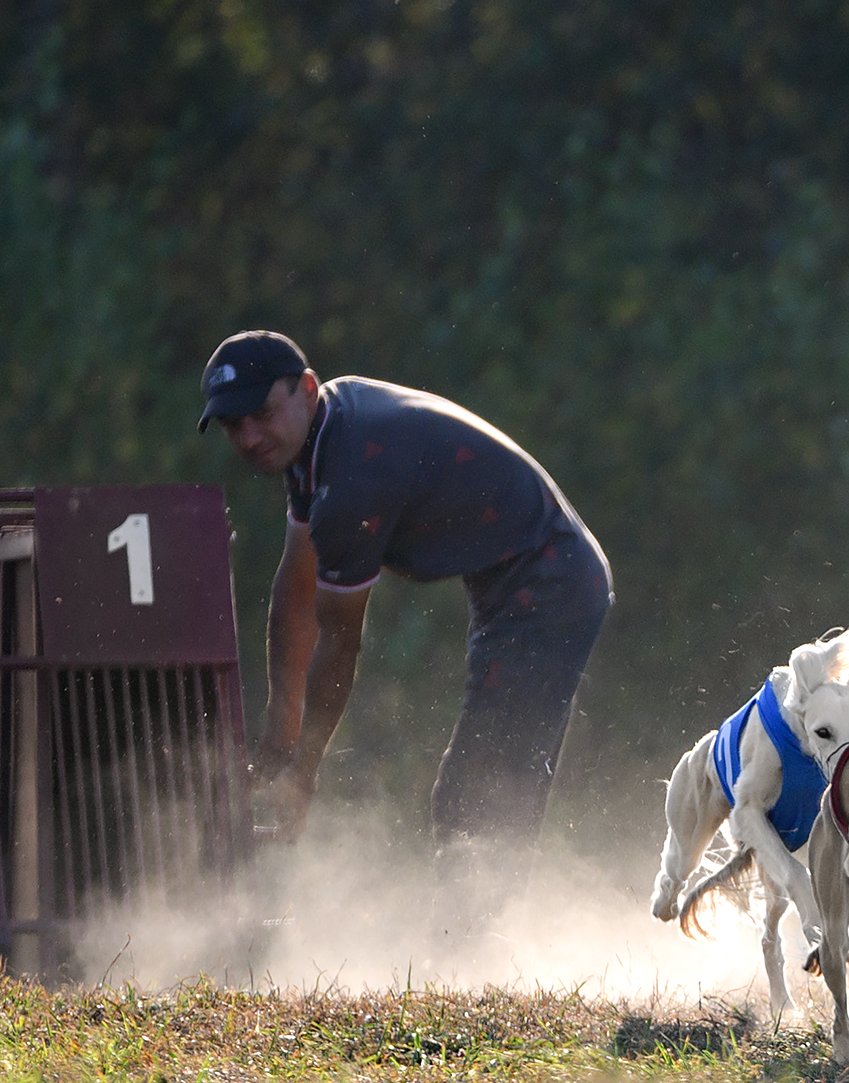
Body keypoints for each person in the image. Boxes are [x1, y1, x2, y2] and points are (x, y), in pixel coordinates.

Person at [199, 330, 612, 915]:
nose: (249, 437)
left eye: (261, 414)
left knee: (476, 792)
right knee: (478, 784)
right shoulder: (320, 437)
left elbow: (340, 640)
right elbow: (294, 588)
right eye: (232, 426)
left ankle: (479, 956)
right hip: (522, 579)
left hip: (550, 580)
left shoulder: (349, 477)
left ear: (307, 389)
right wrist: (279, 727)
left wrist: (304, 772)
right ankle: (476, 941)